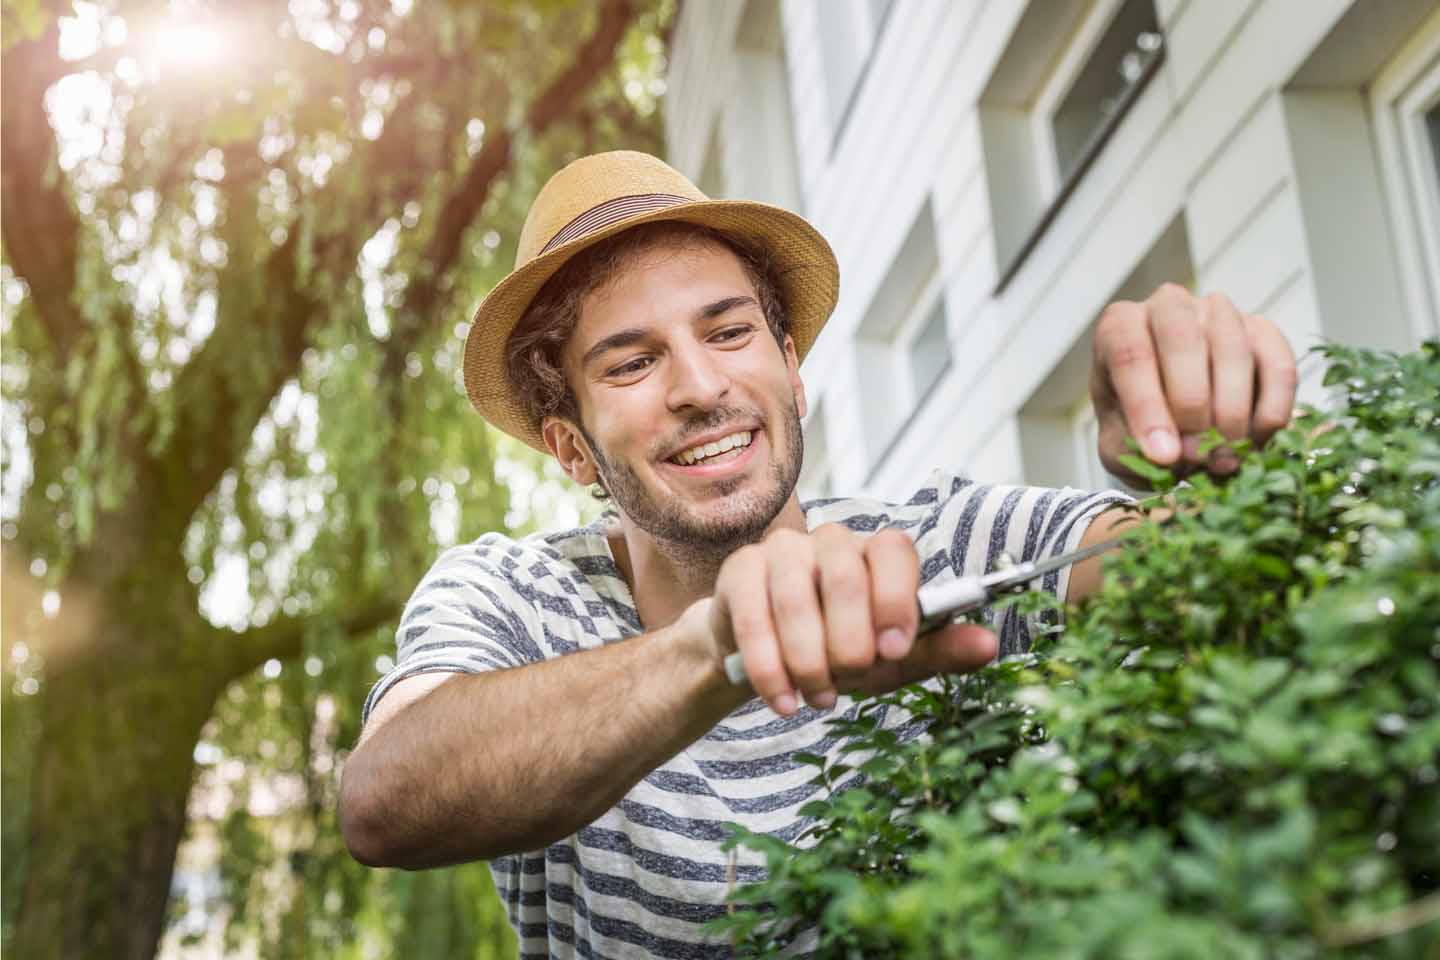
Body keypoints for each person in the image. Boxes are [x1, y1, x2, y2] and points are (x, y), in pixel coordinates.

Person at [338, 151, 1297, 957]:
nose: (702, 385)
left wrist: (1204, 479)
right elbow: (387, 801)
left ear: (792, 369)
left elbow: (1198, 583)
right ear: (572, 446)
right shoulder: (515, 596)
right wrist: (721, 647)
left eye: (729, 331)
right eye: (632, 363)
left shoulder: (939, 539)